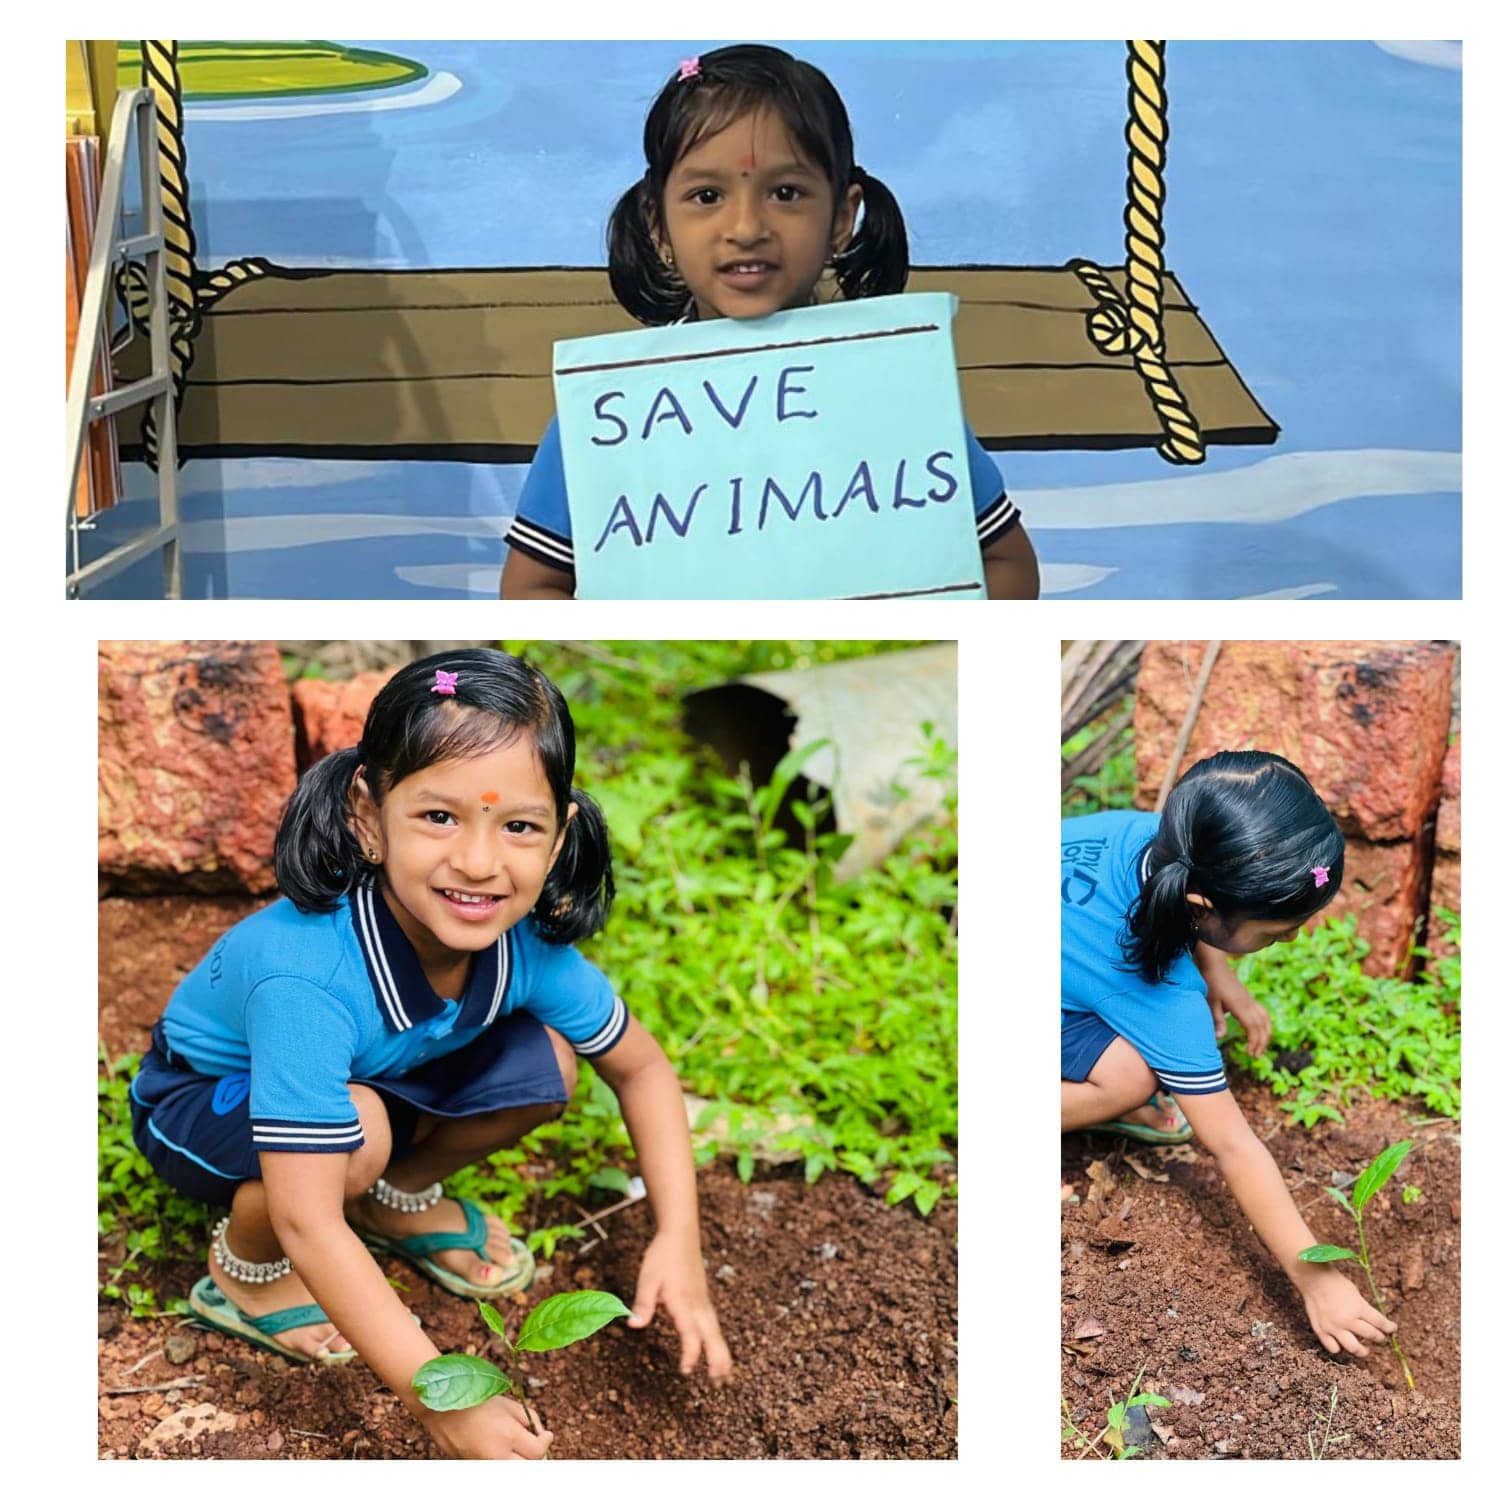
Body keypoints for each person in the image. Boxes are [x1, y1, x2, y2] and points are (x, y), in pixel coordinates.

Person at [129, 648, 732, 1459]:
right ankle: (244, 1272)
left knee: (546, 1065)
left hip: (368, 1079)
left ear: (561, 839)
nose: (480, 864)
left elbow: (643, 1068)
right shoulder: (304, 976)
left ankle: (390, 1197)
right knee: (356, 1132)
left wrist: (678, 1240)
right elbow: (306, 1219)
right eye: (439, 817)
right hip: (202, 1101)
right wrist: (442, 1401)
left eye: (519, 825)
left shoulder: (527, 948)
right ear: (367, 816)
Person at [501, 43, 1039, 600]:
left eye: (786, 193)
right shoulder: (610, 418)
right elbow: (533, 586)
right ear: (658, 224)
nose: (747, 226)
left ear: (840, 216)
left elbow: (1006, 562)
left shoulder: (897, 394)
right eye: (707, 195)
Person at [1060, 750, 1399, 1362]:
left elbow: (1185, 913)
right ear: (1202, 909)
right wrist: (1315, 1278)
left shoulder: (1161, 840)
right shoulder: (1160, 1000)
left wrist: (1225, 978)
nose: (1292, 937)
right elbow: (1233, 1146)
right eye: (1274, 933)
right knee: (1132, 1076)